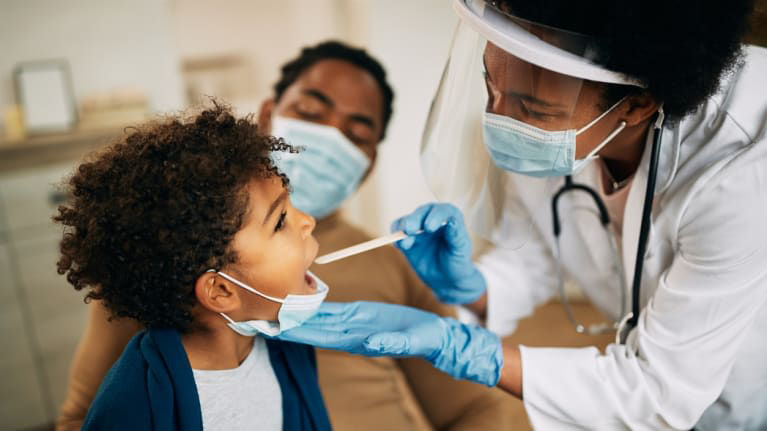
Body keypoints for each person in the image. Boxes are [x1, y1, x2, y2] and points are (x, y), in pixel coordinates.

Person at [273, 1, 767, 429]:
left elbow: (657, 395)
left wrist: (465, 350)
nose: (503, 121)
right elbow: (535, 256)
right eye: (492, 89)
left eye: (533, 111)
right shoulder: (555, 113)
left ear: (636, 105)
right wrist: (472, 288)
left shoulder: (742, 173)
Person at [56, 41, 515, 430]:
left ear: (371, 160)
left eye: (356, 133)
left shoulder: (397, 260)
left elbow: (471, 408)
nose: (328, 138)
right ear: (269, 115)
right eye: (311, 111)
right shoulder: (159, 259)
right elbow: (82, 414)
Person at [54, 103, 331, 430]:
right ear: (221, 291)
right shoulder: (130, 409)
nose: (308, 222)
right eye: (280, 221)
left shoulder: (290, 350)